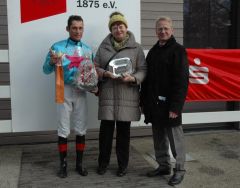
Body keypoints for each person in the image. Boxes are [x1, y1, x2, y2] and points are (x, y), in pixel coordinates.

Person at [94, 11, 147, 177]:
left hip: (127, 96)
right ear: (111, 29)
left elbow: (143, 70)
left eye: (121, 26)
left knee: (124, 135)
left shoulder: (136, 48)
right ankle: (103, 164)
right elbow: (94, 68)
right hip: (108, 96)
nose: (118, 29)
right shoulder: (103, 48)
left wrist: (133, 78)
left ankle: (123, 166)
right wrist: (104, 74)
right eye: (115, 26)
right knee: (105, 135)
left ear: (126, 27)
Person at [43, 15, 94, 178]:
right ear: (68, 29)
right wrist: (51, 62)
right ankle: (63, 165)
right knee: (63, 129)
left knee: (81, 128)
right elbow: (45, 69)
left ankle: (79, 164)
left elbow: (90, 73)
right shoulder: (57, 47)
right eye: (74, 28)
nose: (78, 31)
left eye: (80, 28)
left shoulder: (87, 49)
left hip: (81, 92)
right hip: (63, 90)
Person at [140, 16, 189, 186]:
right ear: (156, 31)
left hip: (170, 106)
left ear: (172, 30)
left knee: (176, 141)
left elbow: (182, 82)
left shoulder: (178, 50)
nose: (163, 31)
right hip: (154, 105)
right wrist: (144, 103)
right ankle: (163, 166)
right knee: (159, 139)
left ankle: (180, 170)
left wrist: (176, 106)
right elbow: (146, 80)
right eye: (160, 28)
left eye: (166, 28)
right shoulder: (153, 52)